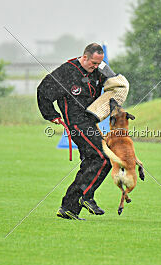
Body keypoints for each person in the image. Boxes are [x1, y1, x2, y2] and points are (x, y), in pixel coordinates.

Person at [37, 43, 121, 220]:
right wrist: (51, 115)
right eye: (93, 63)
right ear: (84, 57)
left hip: (89, 120)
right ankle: (86, 196)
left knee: (91, 161)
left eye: (99, 64)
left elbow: (114, 82)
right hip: (76, 123)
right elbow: (43, 90)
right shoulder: (66, 72)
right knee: (103, 157)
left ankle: (69, 208)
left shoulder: (100, 68)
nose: (96, 68)